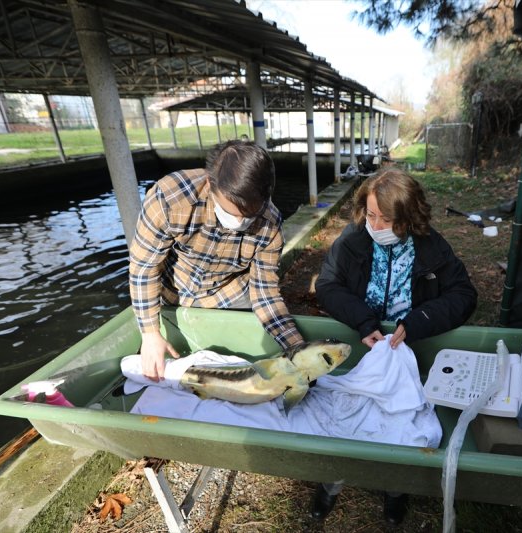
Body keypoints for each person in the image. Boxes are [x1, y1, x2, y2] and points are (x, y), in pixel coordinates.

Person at [313, 167, 478, 524]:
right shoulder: (353, 239)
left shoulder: (432, 247)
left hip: (406, 348)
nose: (376, 224)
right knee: (348, 416)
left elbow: (464, 294)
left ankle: (394, 488)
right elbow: (327, 285)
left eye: (386, 219)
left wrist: (419, 321)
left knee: (399, 419)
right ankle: (330, 484)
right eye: (371, 214)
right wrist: (363, 321)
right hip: (364, 344)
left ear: (409, 219)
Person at [129, 140, 304, 381]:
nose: (239, 222)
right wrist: (150, 333)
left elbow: (265, 293)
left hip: (229, 293)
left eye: (249, 216)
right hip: (174, 289)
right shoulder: (170, 197)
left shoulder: (270, 223)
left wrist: (297, 349)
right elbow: (144, 268)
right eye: (231, 212)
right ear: (211, 184)